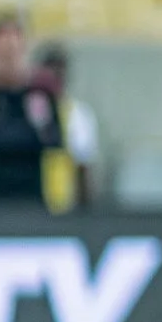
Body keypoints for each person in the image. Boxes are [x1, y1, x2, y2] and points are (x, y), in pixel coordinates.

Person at [0, 10, 63, 209]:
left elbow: (53, 141)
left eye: (15, 51)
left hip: (32, 200)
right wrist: (26, 134)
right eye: (3, 54)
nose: (9, 59)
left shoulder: (40, 91)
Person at [36, 42, 102, 212]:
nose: (55, 75)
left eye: (60, 69)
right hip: (31, 204)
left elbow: (84, 167)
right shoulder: (31, 109)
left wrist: (84, 212)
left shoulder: (78, 114)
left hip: (63, 206)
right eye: (50, 69)